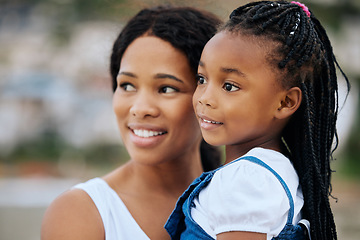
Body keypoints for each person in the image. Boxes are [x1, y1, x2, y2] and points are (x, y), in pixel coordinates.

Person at [165, 1, 350, 240]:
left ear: (285, 103)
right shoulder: (273, 170)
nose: (205, 98)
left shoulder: (246, 181)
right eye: (202, 79)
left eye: (229, 86)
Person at [41, 5, 222, 240]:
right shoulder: (82, 213)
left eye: (166, 88)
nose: (140, 108)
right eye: (127, 85)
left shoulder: (243, 202)